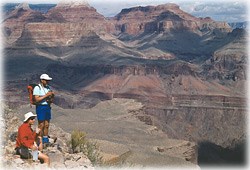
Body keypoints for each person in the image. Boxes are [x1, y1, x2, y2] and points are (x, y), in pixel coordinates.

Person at [33, 73, 55, 144]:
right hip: (40, 107)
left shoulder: (48, 88)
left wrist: (51, 96)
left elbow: (50, 98)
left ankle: (45, 139)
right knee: (41, 124)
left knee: (47, 124)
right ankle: (39, 139)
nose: (47, 82)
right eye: (46, 80)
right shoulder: (37, 88)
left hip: (47, 106)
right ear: (42, 80)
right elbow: (37, 99)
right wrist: (46, 95)